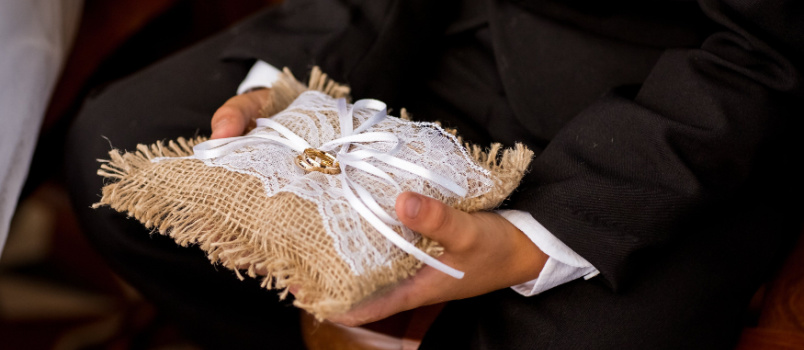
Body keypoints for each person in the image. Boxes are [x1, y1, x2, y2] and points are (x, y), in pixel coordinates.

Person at [66, 0, 804, 348]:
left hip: (679, 107)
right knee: (118, 150)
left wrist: (537, 238)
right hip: (438, 29)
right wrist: (296, 90)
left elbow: (767, 54)